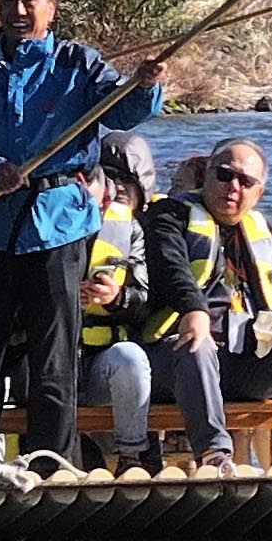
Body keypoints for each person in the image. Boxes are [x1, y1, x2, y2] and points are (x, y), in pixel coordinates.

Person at [0, 0, 164, 475]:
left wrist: (144, 85)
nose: (17, 10)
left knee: (55, 358)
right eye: (7, 0)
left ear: (51, 6)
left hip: (59, 222)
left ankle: (49, 467)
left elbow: (122, 112)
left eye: (28, 0)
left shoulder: (78, 64)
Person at [146, 138, 272, 465]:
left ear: (259, 193)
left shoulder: (268, 231)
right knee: (195, 344)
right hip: (174, 359)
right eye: (224, 175)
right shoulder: (168, 216)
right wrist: (193, 309)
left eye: (246, 182)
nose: (233, 186)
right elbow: (169, 269)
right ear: (207, 176)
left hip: (244, 362)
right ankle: (214, 454)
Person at [75, 131, 177, 471]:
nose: (116, 189)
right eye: (109, 178)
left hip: (113, 360)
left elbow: (145, 301)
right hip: (57, 359)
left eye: (126, 181)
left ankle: (134, 460)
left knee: (130, 358)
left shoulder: (142, 231)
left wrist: (116, 298)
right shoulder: (61, 223)